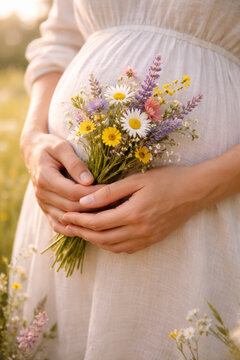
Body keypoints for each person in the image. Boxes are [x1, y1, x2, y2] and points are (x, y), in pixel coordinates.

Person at [12, 0, 240, 358]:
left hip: (204, 218)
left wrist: (198, 188)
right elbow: (59, 41)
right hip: (58, 210)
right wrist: (32, 139)